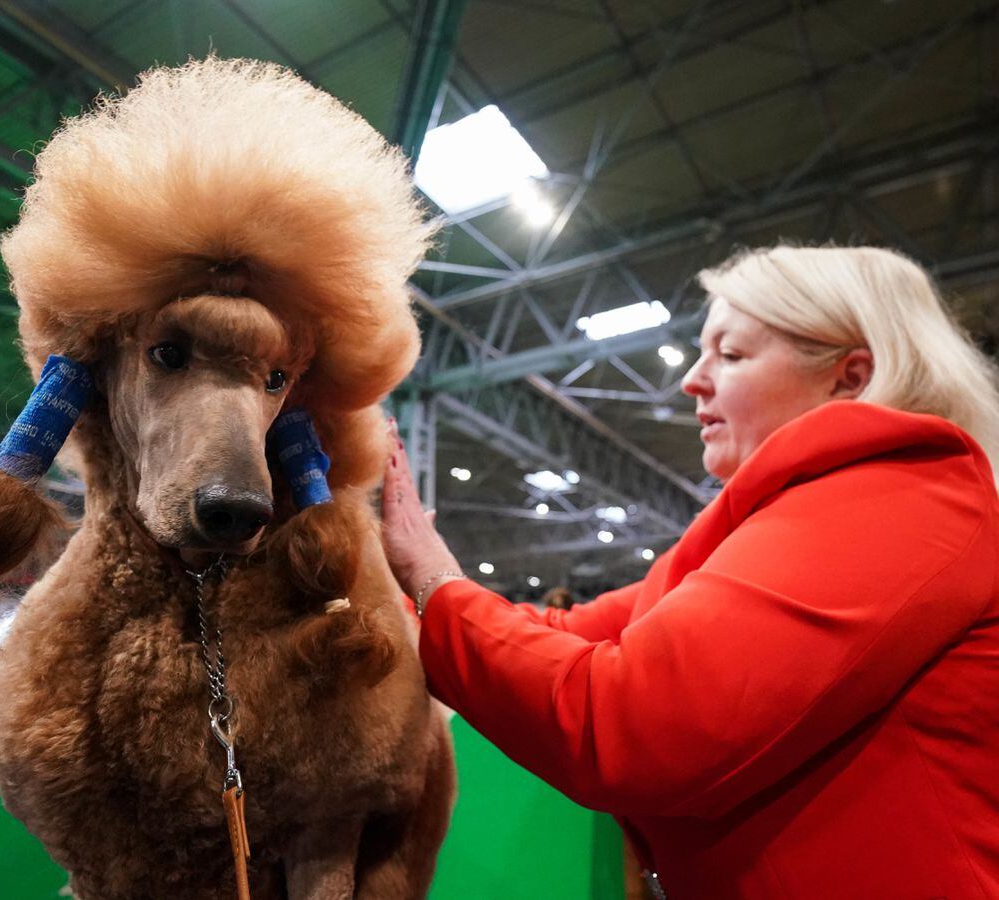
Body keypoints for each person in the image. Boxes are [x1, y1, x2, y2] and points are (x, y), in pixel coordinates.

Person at [382, 245, 999, 899]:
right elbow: (570, 632)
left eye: (730, 355)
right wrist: (378, 591)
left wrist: (431, 574)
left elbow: (629, 722)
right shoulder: (777, 523)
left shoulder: (898, 495)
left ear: (849, 378)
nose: (692, 380)